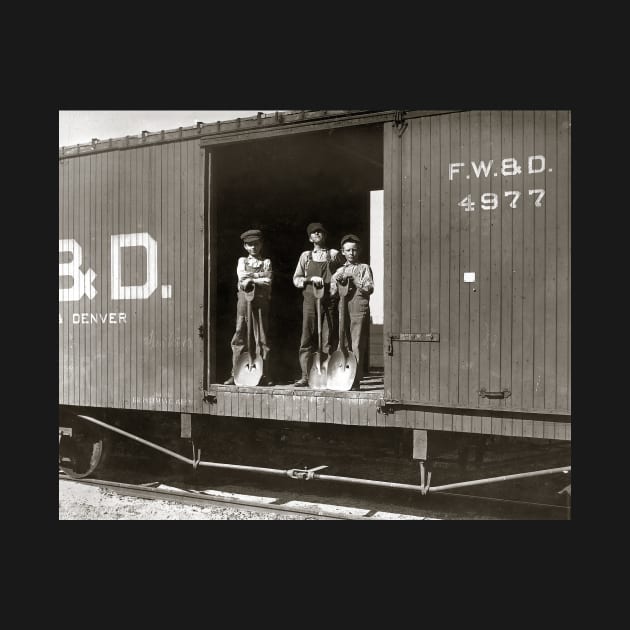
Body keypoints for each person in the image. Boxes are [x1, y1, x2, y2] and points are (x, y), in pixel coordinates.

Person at [292, 222, 344, 386]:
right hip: (310, 300)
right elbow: (296, 279)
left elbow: (345, 269)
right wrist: (309, 279)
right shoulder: (305, 256)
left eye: (320, 231)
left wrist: (335, 278)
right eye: (314, 232)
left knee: (327, 339)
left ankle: (326, 375)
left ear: (325, 235)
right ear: (310, 238)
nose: (317, 234)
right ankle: (306, 375)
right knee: (307, 337)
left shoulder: (334, 254)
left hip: (328, 300)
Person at [224, 229, 273, 386]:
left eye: (256, 244)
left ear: (261, 245)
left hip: (260, 302)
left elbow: (268, 281)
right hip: (244, 302)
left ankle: (263, 374)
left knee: (262, 338)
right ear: (245, 246)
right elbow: (242, 278)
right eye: (250, 245)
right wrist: (259, 277)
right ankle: (235, 373)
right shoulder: (242, 261)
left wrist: (252, 279)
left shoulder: (266, 262)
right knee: (240, 335)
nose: (253, 248)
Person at [330, 234, 374, 390]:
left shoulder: (364, 268)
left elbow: (369, 288)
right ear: (343, 251)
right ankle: (343, 377)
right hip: (344, 307)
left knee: (356, 343)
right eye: (348, 250)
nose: (352, 253)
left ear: (359, 251)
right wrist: (335, 280)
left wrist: (354, 278)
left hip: (358, 306)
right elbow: (332, 291)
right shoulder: (340, 270)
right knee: (344, 342)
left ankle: (355, 379)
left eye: (354, 250)